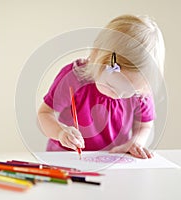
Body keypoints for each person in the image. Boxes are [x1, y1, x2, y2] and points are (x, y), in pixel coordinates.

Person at [38, 14, 165, 159]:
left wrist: (135, 142)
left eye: (127, 93)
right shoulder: (74, 77)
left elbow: (144, 125)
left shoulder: (140, 90)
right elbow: (44, 114)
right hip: (66, 160)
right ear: (96, 54)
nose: (118, 95)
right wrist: (60, 132)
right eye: (111, 85)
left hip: (112, 162)